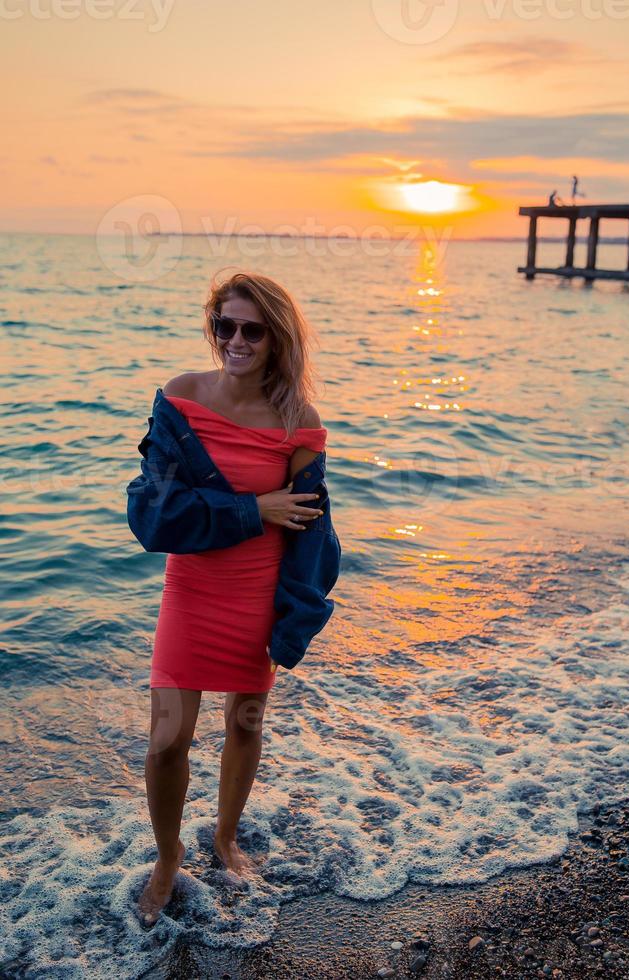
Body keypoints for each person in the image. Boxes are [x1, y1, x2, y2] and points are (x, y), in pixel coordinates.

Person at [136, 270, 331, 927]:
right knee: (167, 738)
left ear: (275, 338)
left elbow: (311, 531)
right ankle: (169, 854)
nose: (236, 340)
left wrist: (296, 614)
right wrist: (255, 508)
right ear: (212, 328)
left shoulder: (299, 424)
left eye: (252, 329)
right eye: (226, 326)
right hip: (191, 589)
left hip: (256, 593)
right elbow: (157, 508)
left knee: (245, 723)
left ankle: (224, 836)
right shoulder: (181, 398)